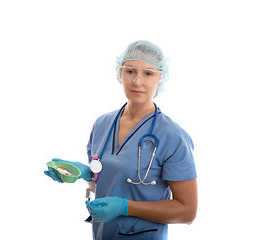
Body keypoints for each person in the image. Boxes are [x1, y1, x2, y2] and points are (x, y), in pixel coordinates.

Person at [44, 40, 197, 240]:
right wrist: (83, 174)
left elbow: (187, 212)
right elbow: (107, 185)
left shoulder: (172, 136)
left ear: (161, 77)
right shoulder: (102, 125)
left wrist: (126, 208)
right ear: (120, 73)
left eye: (148, 73)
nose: (137, 81)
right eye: (130, 71)